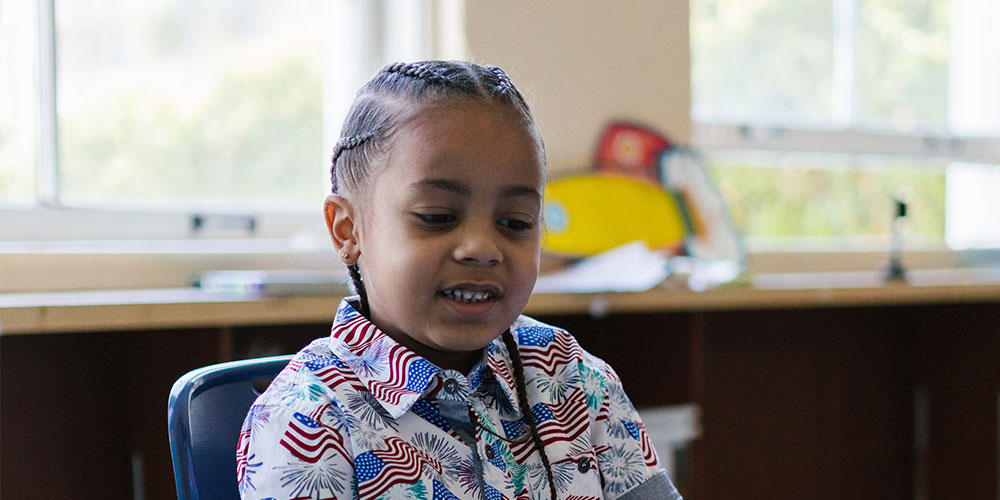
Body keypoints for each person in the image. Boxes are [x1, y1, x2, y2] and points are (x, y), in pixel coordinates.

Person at [237, 60, 682, 500]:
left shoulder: (575, 381)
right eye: (437, 217)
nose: (482, 247)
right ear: (348, 230)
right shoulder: (307, 423)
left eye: (515, 222)